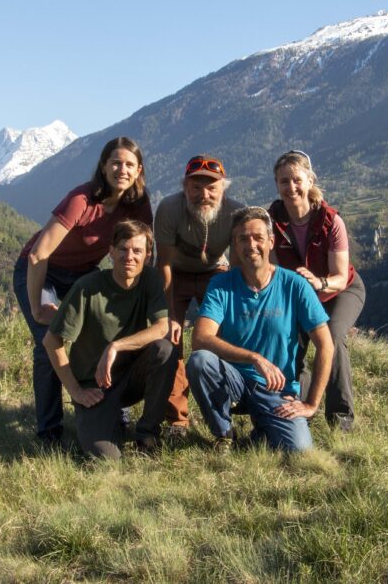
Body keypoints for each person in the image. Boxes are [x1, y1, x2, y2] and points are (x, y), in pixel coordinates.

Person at [12, 137, 152, 450]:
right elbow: (39, 254)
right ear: (103, 166)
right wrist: (37, 306)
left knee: (108, 330)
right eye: (115, 162)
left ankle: (112, 409)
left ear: (138, 170)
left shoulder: (138, 203)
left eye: (129, 164)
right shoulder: (82, 199)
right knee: (49, 340)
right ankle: (49, 432)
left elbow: (146, 251)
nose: (122, 169)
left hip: (83, 272)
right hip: (41, 273)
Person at [186, 206, 334, 453]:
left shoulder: (294, 285)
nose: (250, 245)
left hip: (276, 387)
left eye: (258, 238)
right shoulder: (222, 285)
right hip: (233, 381)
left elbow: (326, 345)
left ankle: (262, 432)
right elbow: (200, 338)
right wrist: (253, 358)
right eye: (243, 239)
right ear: (234, 244)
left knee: (299, 451)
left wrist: (311, 403)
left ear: (271, 242)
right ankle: (224, 434)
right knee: (200, 361)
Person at [41, 220, 175, 459]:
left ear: (148, 255)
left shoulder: (150, 279)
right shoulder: (87, 288)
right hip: (95, 387)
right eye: (123, 249)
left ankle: (147, 434)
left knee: (165, 351)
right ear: (111, 251)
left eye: (137, 251)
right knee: (106, 458)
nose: (129, 256)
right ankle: (102, 419)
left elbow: (161, 327)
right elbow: (51, 342)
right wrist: (76, 391)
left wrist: (116, 346)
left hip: (131, 377)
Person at [268, 150, 366, 432]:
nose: (291, 188)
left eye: (297, 180)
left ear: (310, 181)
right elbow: (274, 272)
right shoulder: (271, 222)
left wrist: (318, 283)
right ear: (276, 184)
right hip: (299, 296)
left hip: (339, 291)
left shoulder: (331, 221)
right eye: (284, 181)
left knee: (331, 337)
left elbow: (339, 276)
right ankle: (297, 408)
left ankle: (341, 420)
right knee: (288, 341)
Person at [153, 155, 244, 440]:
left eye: (212, 187)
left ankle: (228, 408)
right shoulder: (169, 208)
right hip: (176, 273)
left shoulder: (235, 212)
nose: (204, 194)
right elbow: (164, 264)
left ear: (223, 190)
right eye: (196, 187)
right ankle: (177, 421)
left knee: (226, 336)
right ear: (184, 187)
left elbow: (240, 265)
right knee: (170, 341)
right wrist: (169, 316)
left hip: (215, 272)